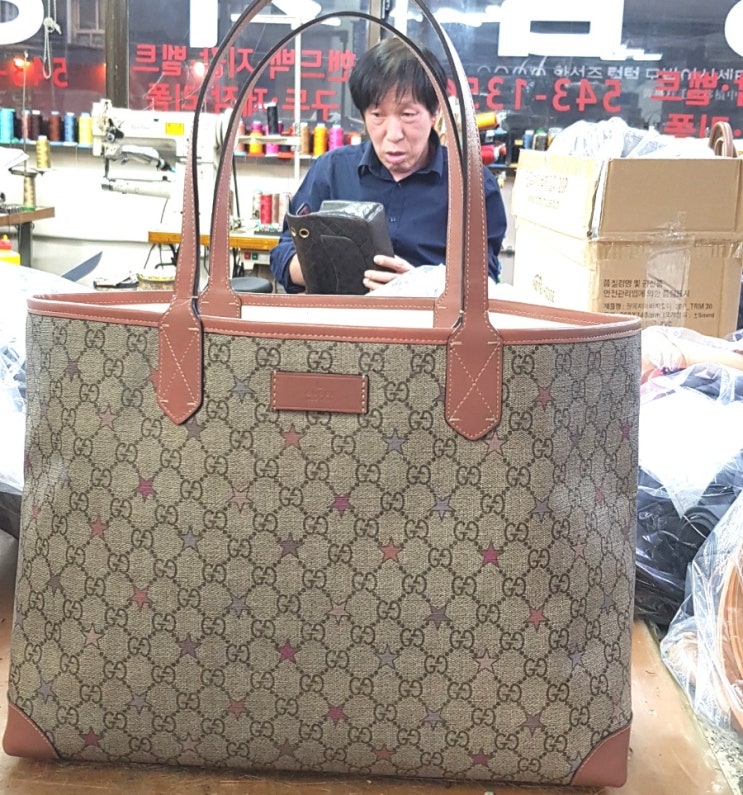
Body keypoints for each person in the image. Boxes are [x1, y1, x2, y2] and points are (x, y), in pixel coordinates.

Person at [269, 37, 507, 294]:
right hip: (342, 317)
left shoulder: (472, 184)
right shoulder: (331, 171)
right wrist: (325, 268)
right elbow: (283, 253)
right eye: (377, 115)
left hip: (429, 319)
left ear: (435, 112)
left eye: (408, 115)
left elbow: (484, 279)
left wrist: (421, 287)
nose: (393, 134)